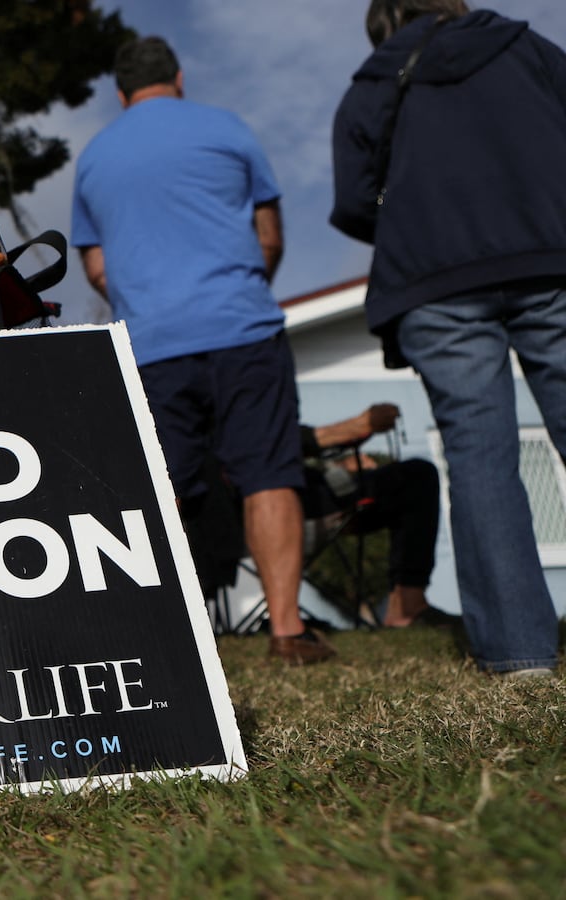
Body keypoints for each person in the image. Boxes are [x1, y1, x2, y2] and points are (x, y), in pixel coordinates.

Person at [71, 37, 331, 665]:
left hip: (154, 342)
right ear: (179, 77)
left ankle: (170, 642)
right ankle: (288, 632)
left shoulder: (96, 157)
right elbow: (268, 236)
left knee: (165, 489)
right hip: (242, 329)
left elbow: (98, 266)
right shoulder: (227, 128)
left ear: (120, 92)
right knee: (268, 472)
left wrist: (149, 296)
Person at [330, 0, 566, 678]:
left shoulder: (373, 82)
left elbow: (352, 200)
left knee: (478, 454)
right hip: (550, 255)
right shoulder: (526, 49)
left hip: (434, 282)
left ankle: (520, 657)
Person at [301, 403, 453, 628]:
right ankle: (406, 608)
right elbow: (264, 448)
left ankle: (407, 604)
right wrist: (352, 428)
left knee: (415, 476)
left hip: (307, 490)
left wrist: (338, 464)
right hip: (276, 504)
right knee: (417, 479)